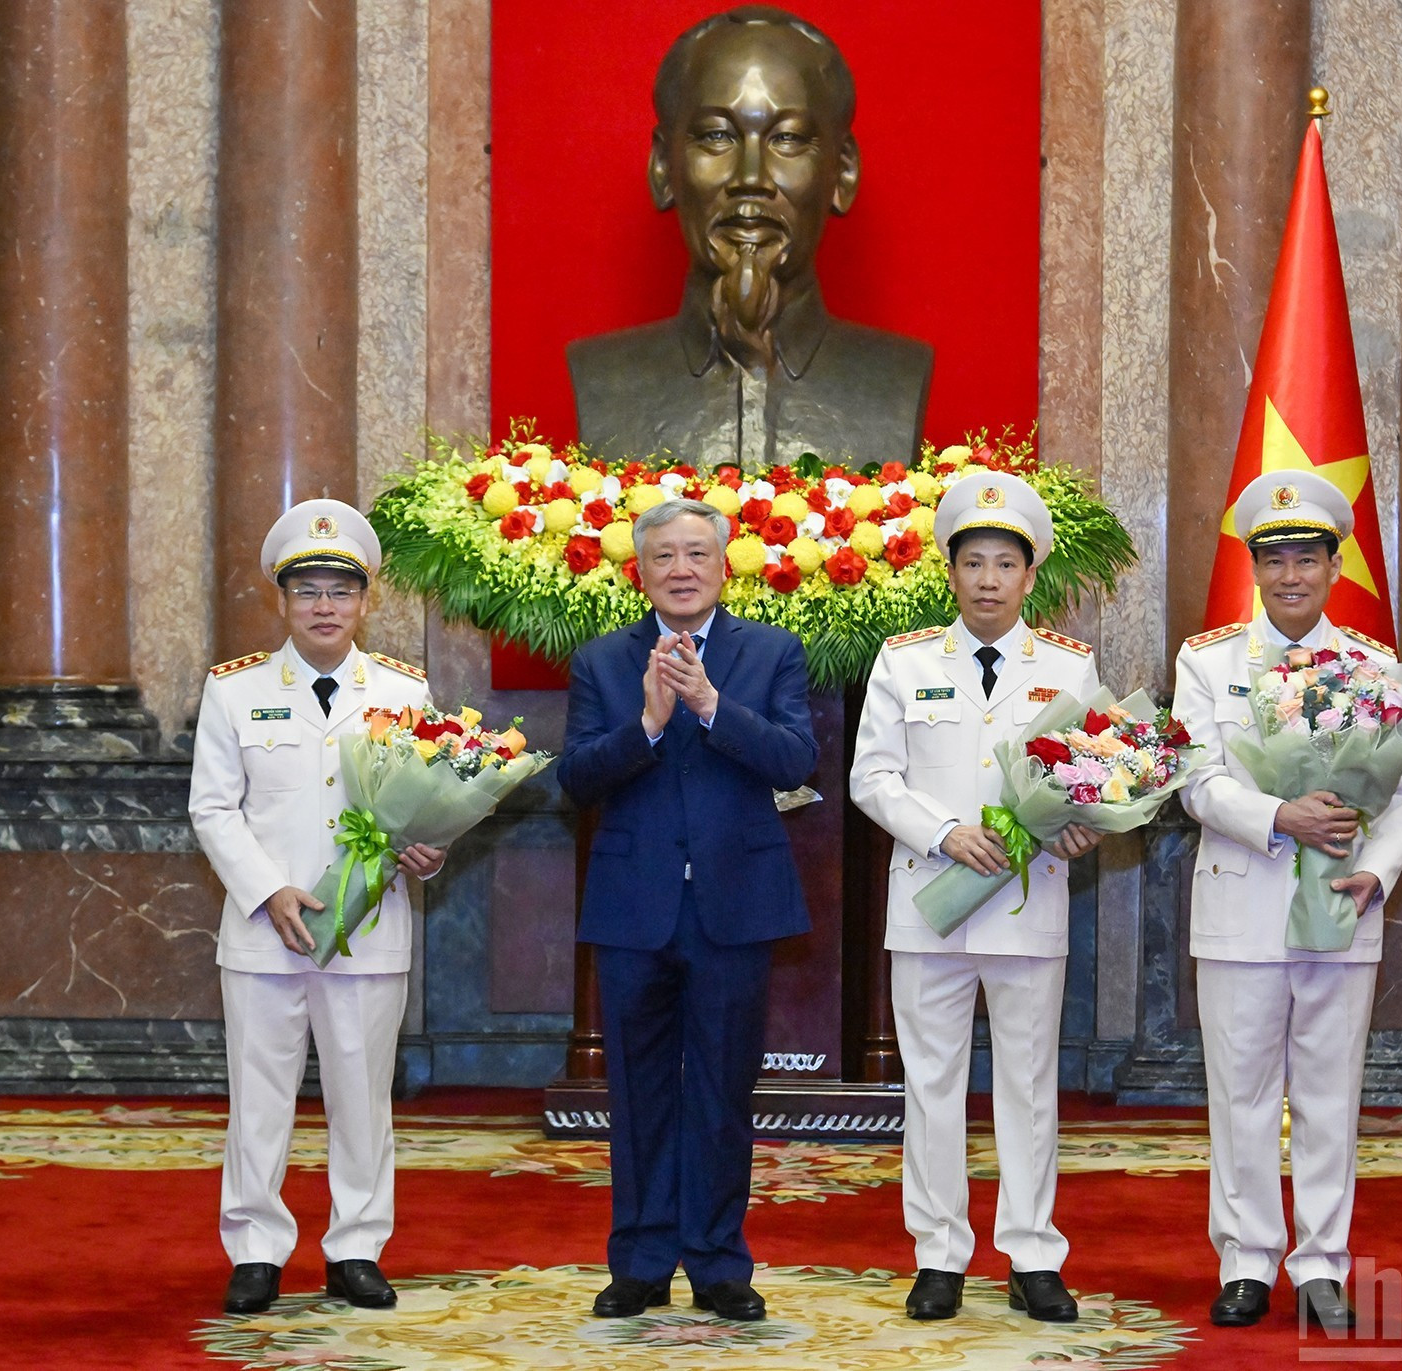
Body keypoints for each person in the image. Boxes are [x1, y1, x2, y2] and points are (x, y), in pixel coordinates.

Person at [1171, 469, 1402, 1333]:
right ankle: (1246, 1260)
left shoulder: (1373, 666)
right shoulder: (1206, 662)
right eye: (1273, 558)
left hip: (1340, 908)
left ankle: (1321, 1264)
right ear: (1254, 565)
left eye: (1306, 557)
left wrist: (1376, 872)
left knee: (1328, 1093)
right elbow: (1194, 780)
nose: (1290, 574)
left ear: (1332, 564)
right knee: (1239, 1093)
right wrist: (1277, 813)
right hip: (1241, 906)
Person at [850, 471, 1102, 1322]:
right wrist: (940, 831)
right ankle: (940, 1254)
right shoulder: (904, 659)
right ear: (949, 573)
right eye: (973, 563)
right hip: (930, 901)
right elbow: (871, 777)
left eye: (1006, 564)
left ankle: (1033, 1252)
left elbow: (1097, 777)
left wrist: (1086, 823)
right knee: (932, 1083)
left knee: (1030, 1083)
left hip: (1029, 905)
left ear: (1031, 578)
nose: (989, 579)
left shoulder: (1070, 665)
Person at [558, 498, 818, 1322]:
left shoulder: (770, 651)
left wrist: (709, 706)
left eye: (696, 553)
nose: (680, 568)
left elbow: (795, 758)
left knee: (721, 1089)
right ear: (640, 570)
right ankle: (638, 1262)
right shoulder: (603, 660)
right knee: (637, 1094)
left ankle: (717, 1262)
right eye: (664, 555)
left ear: (723, 564)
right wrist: (648, 721)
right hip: (634, 908)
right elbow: (575, 777)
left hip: (735, 907)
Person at [188, 499, 446, 1315]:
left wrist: (434, 846)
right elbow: (213, 808)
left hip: (367, 931)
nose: (325, 605)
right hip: (267, 933)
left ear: (367, 599)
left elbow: (433, 798)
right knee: (258, 1099)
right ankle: (256, 1249)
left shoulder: (406, 688)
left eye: (341, 589)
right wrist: (268, 890)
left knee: (362, 1097)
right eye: (308, 590)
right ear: (282, 600)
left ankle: (357, 1247)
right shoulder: (234, 691)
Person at [567, 5, 931, 469]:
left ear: (842, 172)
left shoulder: (896, 378)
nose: (751, 177)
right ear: (663, 168)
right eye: (717, 136)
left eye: (788, 139)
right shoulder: (603, 377)